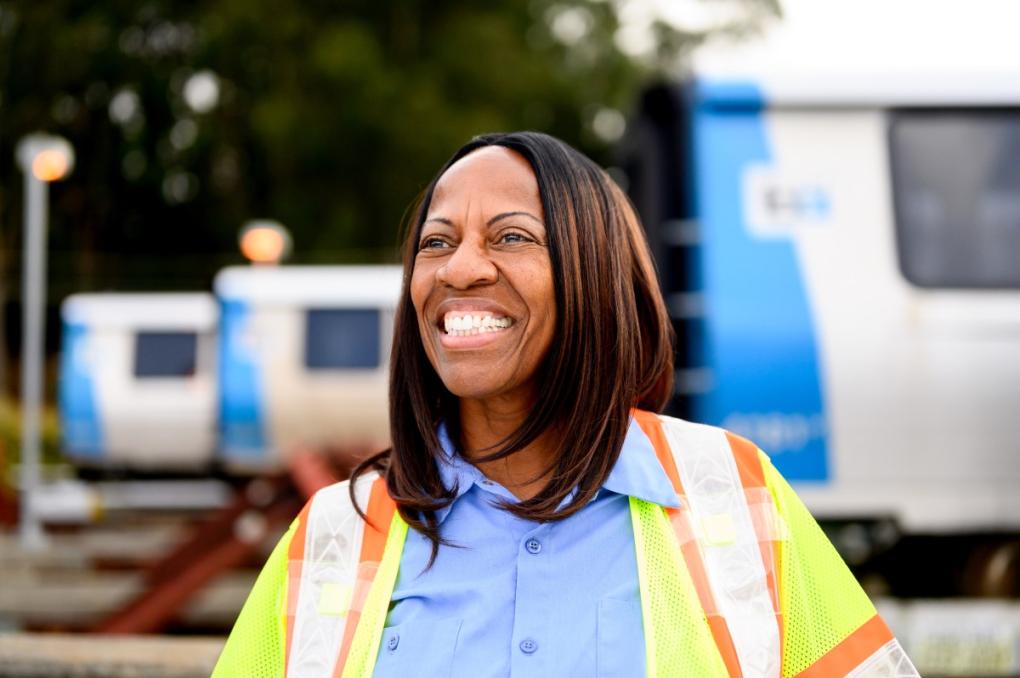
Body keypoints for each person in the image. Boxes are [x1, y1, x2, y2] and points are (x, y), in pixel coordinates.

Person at [213, 132, 919, 677]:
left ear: (593, 274)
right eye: (437, 243)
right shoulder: (337, 530)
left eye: (511, 236)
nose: (460, 269)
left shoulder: (731, 492)